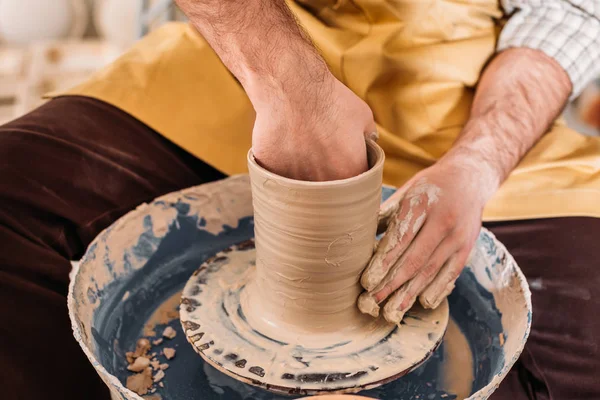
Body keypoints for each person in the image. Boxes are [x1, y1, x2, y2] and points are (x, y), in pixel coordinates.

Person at [1, 0, 599, 399]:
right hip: (245, 58)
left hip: (468, 104)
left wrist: (479, 161)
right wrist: (287, 85)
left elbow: (566, 10)